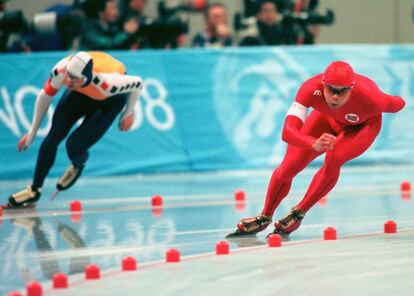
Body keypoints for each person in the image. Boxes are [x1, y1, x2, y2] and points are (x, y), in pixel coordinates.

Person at [230, 61, 405, 236]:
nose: (335, 96)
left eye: (342, 91)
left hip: (361, 127)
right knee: (288, 166)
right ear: (323, 84)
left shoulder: (371, 97)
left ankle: (298, 213)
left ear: (351, 88)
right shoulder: (309, 89)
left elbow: (399, 103)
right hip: (326, 119)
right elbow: (288, 131)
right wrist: (311, 143)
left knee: (334, 157)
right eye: (331, 90)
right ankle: (264, 217)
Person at [7, 51, 143, 208]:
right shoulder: (62, 70)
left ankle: (79, 164)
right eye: (69, 75)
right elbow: (45, 95)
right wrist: (32, 131)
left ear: (85, 77)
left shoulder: (108, 84)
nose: (68, 80)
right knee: (53, 136)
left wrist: (128, 112)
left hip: (109, 101)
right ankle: (34, 190)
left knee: (74, 145)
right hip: (79, 94)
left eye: (73, 78)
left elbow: (138, 83)